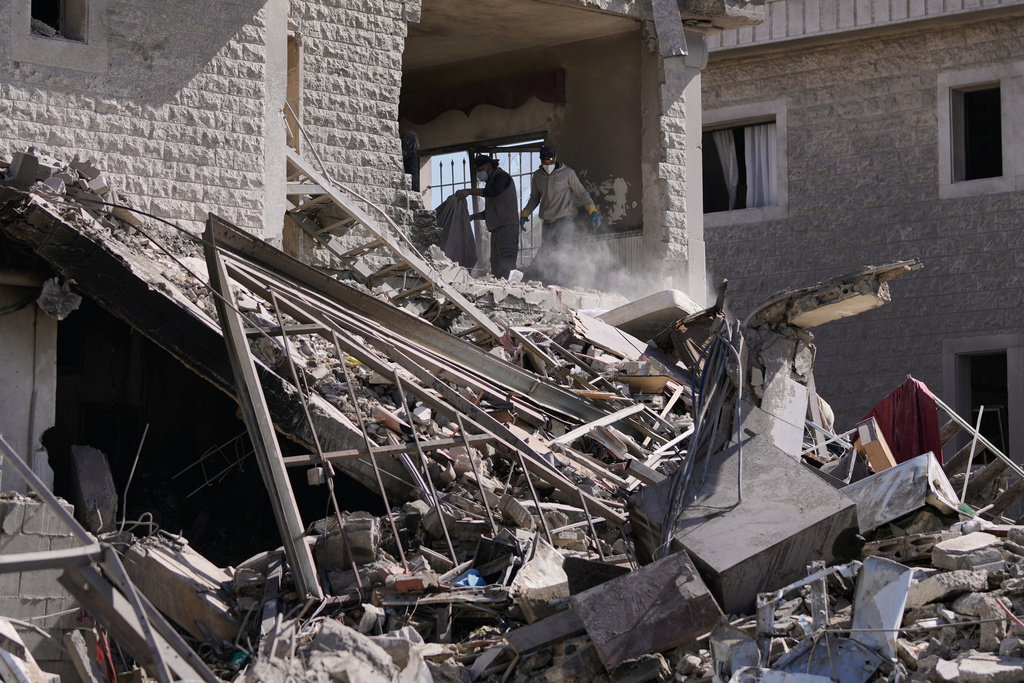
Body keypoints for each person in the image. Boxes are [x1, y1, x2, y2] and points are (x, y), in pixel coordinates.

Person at [519, 144, 600, 286]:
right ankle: (550, 285)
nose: (548, 165)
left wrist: (592, 210)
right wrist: (525, 213)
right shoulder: (537, 176)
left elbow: (581, 193)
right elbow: (534, 198)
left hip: (564, 221)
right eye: (545, 163)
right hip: (547, 223)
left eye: (550, 162)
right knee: (549, 255)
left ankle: (561, 286)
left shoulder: (567, 173)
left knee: (562, 254)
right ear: (541, 160)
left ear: (555, 158)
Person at [455, 155, 520, 280]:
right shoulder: (492, 182)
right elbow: (490, 212)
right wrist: (472, 217)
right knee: (496, 267)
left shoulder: (502, 177)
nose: (479, 174)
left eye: (480, 170)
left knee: (506, 265)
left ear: (489, 166)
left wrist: (469, 191)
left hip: (507, 228)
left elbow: (491, 192)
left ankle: (512, 287)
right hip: (497, 230)